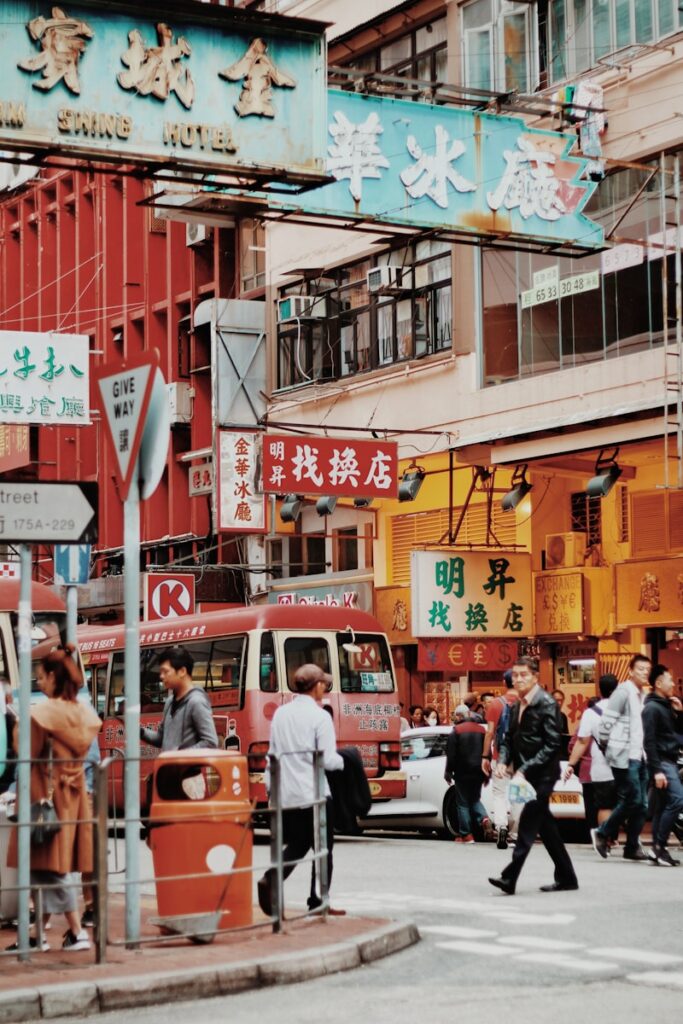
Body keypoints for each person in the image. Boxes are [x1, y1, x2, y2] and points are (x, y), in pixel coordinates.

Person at [7, 644, 101, 952]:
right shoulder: (82, 713)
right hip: (72, 798)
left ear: (51, 676)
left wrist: (17, 724)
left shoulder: (42, 714)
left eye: (41, 677)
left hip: (43, 798)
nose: (39, 682)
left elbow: (26, 753)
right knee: (46, 865)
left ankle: (76, 932)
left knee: (49, 867)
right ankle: (36, 936)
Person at [257, 664, 344, 917]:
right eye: (324, 684)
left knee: (300, 842)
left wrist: (270, 788)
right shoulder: (320, 717)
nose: (325, 688)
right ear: (316, 686)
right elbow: (328, 760)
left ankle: (274, 878)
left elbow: (272, 755)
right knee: (323, 849)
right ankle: (317, 900)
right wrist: (345, 760)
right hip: (315, 793)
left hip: (287, 793)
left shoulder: (281, 715)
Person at [488, 657, 578, 895]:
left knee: (528, 825)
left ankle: (509, 877)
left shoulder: (546, 703)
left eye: (523, 675)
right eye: (515, 675)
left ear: (535, 677)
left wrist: (525, 768)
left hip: (543, 776)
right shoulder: (517, 704)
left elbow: (552, 744)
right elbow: (507, 737)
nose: (518, 679)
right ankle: (567, 877)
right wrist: (503, 761)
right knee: (547, 828)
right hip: (526, 774)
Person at [592, 654, 652, 862]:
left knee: (642, 805)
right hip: (624, 756)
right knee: (633, 799)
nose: (645, 673)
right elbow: (605, 725)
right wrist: (611, 748)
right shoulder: (623, 692)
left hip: (640, 755)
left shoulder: (642, 694)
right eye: (641, 669)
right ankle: (602, 832)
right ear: (631, 671)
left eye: (647, 669)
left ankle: (632, 846)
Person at [563, 675, 618, 835]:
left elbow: (578, 742)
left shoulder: (590, 714)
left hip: (594, 769)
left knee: (598, 805)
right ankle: (614, 837)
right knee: (618, 804)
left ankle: (598, 835)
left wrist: (571, 764)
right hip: (622, 766)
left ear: (599, 689)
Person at [642, 664, 683, 867]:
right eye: (670, 679)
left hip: (669, 760)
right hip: (662, 762)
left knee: (661, 806)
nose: (673, 683)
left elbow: (678, 734)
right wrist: (656, 770)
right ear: (658, 683)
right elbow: (648, 741)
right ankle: (660, 847)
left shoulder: (667, 705)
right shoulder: (651, 708)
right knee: (677, 800)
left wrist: (680, 713)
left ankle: (657, 849)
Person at [140, 646, 218, 751]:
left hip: (187, 767)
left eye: (165, 671)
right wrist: (141, 732)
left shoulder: (196, 701)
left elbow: (210, 742)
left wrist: (179, 755)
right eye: (161, 672)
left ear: (182, 671)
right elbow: (161, 738)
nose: (161, 676)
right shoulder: (170, 702)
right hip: (168, 766)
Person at [444, 705, 492, 843]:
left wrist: (448, 772)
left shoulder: (456, 731)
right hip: (479, 771)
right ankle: (484, 818)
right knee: (475, 799)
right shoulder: (482, 730)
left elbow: (451, 755)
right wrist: (487, 773)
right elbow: (487, 751)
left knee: (463, 803)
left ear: (459, 716)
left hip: (462, 772)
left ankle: (466, 834)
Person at [482, 670, 518, 849]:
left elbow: (490, 733)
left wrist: (485, 756)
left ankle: (502, 826)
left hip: (500, 756)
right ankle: (516, 833)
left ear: (504, 682)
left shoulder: (496, 704)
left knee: (499, 794)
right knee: (520, 795)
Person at [553, 690, 571, 759]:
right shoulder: (544, 714)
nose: (559, 703)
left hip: (560, 751)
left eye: (561, 700)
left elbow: (566, 734)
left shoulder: (563, 716)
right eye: (557, 700)